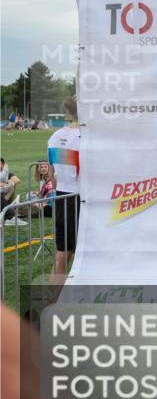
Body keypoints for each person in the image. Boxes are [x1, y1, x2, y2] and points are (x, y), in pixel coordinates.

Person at [47, 96, 81, 281]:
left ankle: (52, 295)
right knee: (77, 254)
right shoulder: (85, 137)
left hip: (61, 197)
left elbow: (51, 175)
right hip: (80, 198)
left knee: (62, 253)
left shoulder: (55, 136)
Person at [0, 158, 26, 226]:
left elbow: (17, 180)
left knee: (12, 184)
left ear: (3, 164)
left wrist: (7, 183)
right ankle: (9, 216)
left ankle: (8, 210)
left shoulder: (5, 172)